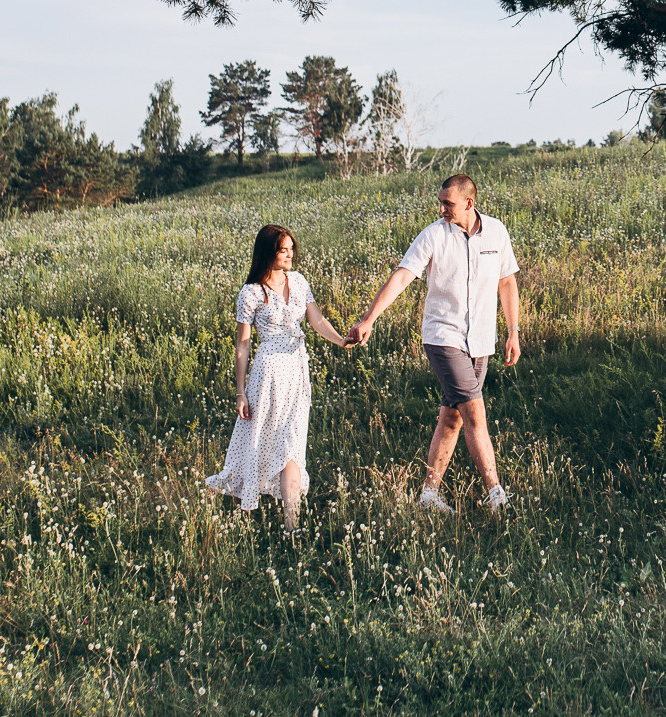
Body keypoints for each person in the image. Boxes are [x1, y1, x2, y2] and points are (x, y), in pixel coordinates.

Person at [346, 173, 522, 512]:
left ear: (469, 203)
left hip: (481, 341)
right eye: (440, 202)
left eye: (448, 203)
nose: (442, 209)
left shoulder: (497, 232)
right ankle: (496, 495)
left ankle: (428, 496)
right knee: (475, 413)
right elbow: (402, 276)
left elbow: (507, 282)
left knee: (452, 418)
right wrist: (369, 319)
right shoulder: (433, 235)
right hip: (444, 338)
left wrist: (513, 331)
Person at [205, 224, 351, 530]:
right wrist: (240, 392)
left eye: (291, 249)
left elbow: (316, 319)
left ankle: (291, 525)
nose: (289, 255)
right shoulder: (251, 292)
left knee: (292, 443)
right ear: (267, 253)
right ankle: (248, 507)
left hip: (297, 371)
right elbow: (243, 345)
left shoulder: (298, 281)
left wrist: (340, 341)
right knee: (260, 439)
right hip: (268, 375)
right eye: (283, 250)